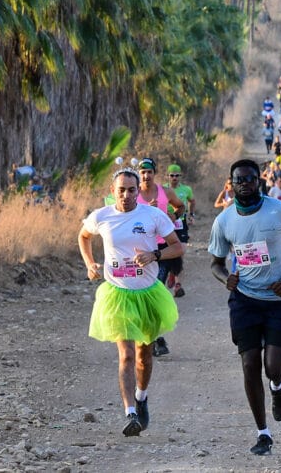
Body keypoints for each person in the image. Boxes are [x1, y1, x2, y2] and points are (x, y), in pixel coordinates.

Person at [208, 159, 281, 456]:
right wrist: (227, 279)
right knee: (250, 363)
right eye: (239, 180)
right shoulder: (224, 221)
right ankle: (263, 432)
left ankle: (279, 388)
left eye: (250, 179)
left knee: (273, 366)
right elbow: (215, 263)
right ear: (231, 183)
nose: (245, 184)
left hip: (278, 298)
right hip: (244, 300)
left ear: (259, 181)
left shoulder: (278, 210)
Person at [78, 169, 185, 437]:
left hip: (147, 293)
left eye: (131, 190)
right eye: (121, 189)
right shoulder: (101, 216)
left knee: (143, 357)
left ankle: (142, 396)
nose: (126, 195)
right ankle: (130, 413)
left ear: (139, 191)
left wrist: (154, 254)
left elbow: (177, 246)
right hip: (117, 293)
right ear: (112, 191)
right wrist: (90, 264)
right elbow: (83, 236)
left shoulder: (153, 215)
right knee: (125, 354)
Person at [135, 157, 185, 357]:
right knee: (142, 296)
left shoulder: (165, 192)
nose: (146, 175)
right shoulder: (133, 193)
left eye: (149, 172)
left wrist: (172, 217)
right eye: (142, 172)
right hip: (138, 252)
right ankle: (154, 338)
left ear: (155, 173)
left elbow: (180, 207)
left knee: (154, 291)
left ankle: (156, 339)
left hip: (162, 251)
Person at [164, 164, 195, 298]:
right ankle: (172, 271)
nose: (174, 178)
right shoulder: (162, 190)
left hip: (180, 223)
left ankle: (177, 284)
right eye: (172, 175)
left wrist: (191, 215)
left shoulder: (186, 189)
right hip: (165, 224)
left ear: (180, 176)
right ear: (168, 176)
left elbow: (192, 201)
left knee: (181, 251)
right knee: (170, 251)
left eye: (177, 175)